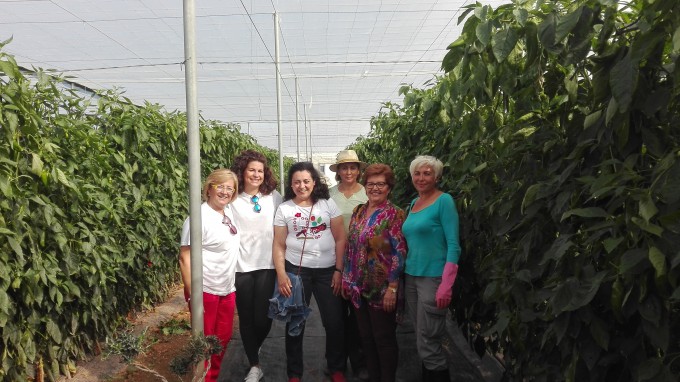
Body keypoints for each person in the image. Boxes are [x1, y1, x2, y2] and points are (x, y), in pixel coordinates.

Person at [272, 162, 348, 382]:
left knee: (334, 322)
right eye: (297, 182)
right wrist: (281, 274)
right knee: (295, 323)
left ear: (315, 182)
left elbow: (341, 237)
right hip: (296, 272)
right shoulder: (285, 208)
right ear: (291, 184)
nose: (302, 186)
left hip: (327, 272)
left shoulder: (327, 204)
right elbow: (279, 244)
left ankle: (336, 368)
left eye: (306, 181)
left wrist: (338, 270)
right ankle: (294, 373)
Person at [342, 164, 407, 382]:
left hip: (381, 288)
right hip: (358, 286)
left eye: (381, 184)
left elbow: (398, 251)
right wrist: (346, 279)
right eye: (371, 184)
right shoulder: (358, 211)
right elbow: (351, 247)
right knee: (366, 338)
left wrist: (392, 287)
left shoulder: (394, 214)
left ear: (389, 188)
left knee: (384, 338)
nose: (375, 188)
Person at [402, 155, 461, 382]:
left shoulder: (444, 201)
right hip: (412, 277)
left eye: (427, 173)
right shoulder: (412, 205)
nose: (421, 178)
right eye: (417, 173)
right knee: (421, 337)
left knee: (429, 340)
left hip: (433, 278)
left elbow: (454, 245)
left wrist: (446, 284)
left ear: (437, 176)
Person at [179, 169, 240, 382]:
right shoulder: (198, 217)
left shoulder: (228, 212)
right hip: (205, 289)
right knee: (204, 342)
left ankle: (211, 378)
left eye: (230, 188)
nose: (225, 192)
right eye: (220, 186)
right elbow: (184, 257)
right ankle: (201, 379)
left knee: (221, 340)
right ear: (209, 188)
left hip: (226, 288)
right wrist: (193, 294)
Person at [230, 150, 283, 382]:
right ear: (242, 171)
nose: (256, 174)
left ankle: (255, 346)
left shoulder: (273, 196)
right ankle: (254, 364)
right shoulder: (232, 197)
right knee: (246, 316)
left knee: (263, 317)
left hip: (267, 264)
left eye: (260, 170)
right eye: (251, 170)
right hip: (241, 265)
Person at [328, 149, 369, 381]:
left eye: (353, 167)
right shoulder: (330, 195)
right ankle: (336, 363)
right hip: (333, 260)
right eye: (344, 167)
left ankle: (359, 362)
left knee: (357, 315)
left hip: (360, 261)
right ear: (338, 171)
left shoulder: (367, 193)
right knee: (335, 317)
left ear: (359, 170)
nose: (349, 171)